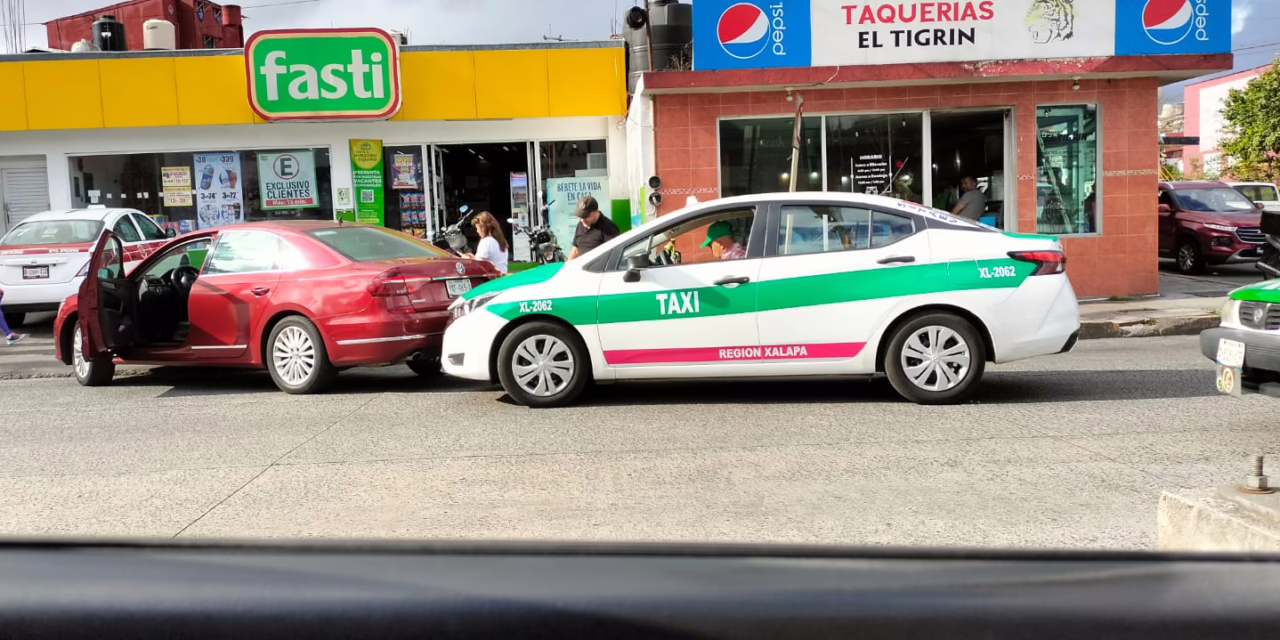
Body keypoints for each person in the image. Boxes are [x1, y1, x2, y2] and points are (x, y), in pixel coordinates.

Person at [568, 196, 619, 260]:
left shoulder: (609, 228)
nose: (582, 220)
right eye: (580, 217)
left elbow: (615, 254)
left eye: (586, 216)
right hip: (580, 267)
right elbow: (575, 250)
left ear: (597, 212)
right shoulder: (580, 225)